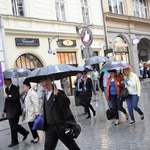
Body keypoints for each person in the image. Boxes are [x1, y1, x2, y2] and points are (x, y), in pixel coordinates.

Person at [40, 77, 80, 150]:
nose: (45, 87)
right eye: (43, 85)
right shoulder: (44, 95)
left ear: (51, 83)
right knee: (48, 147)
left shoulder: (59, 92)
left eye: (47, 84)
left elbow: (67, 102)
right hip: (50, 127)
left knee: (72, 146)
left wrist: (58, 94)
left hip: (61, 126)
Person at [1, 78, 29, 147]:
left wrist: (8, 97)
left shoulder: (15, 88)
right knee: (13, 126)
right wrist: (4, 111)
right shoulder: (7, 89)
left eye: (5, 81)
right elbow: (6, 101)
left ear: (9, 81)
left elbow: (16, 99)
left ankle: (14, 141)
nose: (4, 82)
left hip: (15, 110)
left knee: (13, 126)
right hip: (9, 111)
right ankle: (25, 132)